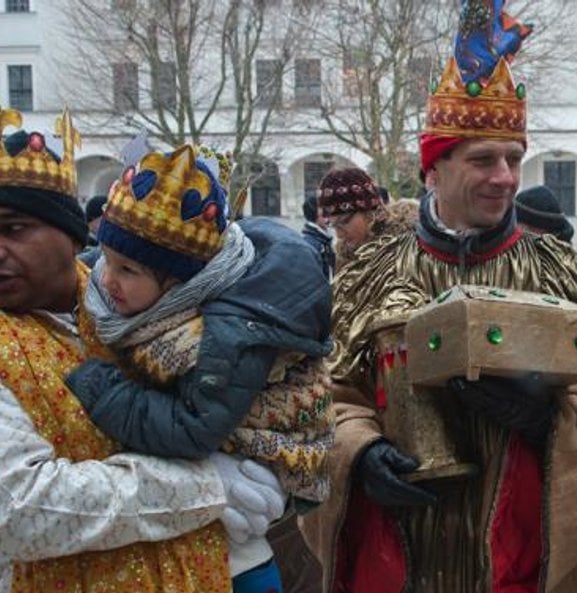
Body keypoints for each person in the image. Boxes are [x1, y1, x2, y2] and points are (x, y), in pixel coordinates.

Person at [299, 4, 577, 592]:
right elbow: (318, 395)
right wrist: (358, 454)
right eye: (483, 159)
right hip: (397, 555)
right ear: (433, 170)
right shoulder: (370, 274)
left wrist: (554, 421)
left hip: (527, 563)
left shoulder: (563, 273)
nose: (505, 177)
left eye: (513, 159)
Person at [0, 107, 286, 592]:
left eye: (13, 229)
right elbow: (21, 511)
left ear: (70, 234)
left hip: (224, 570)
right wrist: (206, 485)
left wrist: (277, 463)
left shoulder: (147, 295)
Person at [63, 144, 335, 592]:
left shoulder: (222, 338)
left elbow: (192, 429)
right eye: (105, 258)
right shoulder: (146, 306)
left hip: (245, 529)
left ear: (180, 283)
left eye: (126, 269)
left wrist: (101, 386)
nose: (106, 279)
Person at [318, 167, 418, 269]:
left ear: (369, 212)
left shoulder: (407, 250)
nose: (339, 234)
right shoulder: (344, 259)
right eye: (333, 225)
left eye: (344, 222)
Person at [302, 195, 336, 281]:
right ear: (314, 215)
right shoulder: (312, 243)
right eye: (324, 215)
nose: (329, 219)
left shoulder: (324, 239)